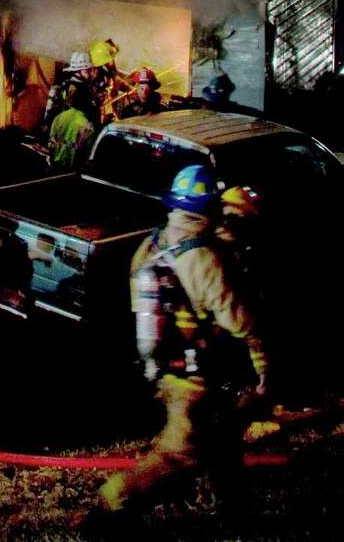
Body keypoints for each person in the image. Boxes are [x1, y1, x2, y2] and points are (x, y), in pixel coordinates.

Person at [89, 164, 268, 526]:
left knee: (222, 436)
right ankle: (112, 503)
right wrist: (263, 365)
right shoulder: (202, 258)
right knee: (179, 453)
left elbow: (142, 303)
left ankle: (235, 507)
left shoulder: (152, 243)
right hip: (194, 376)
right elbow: (238, 320)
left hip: (167, 369)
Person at [47, 84, 97, 171]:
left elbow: (50, 142)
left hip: (52, 168)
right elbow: (87, 155)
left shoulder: (59, 117)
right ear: (88, 103)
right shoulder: (87, 127)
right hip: (71, 173)